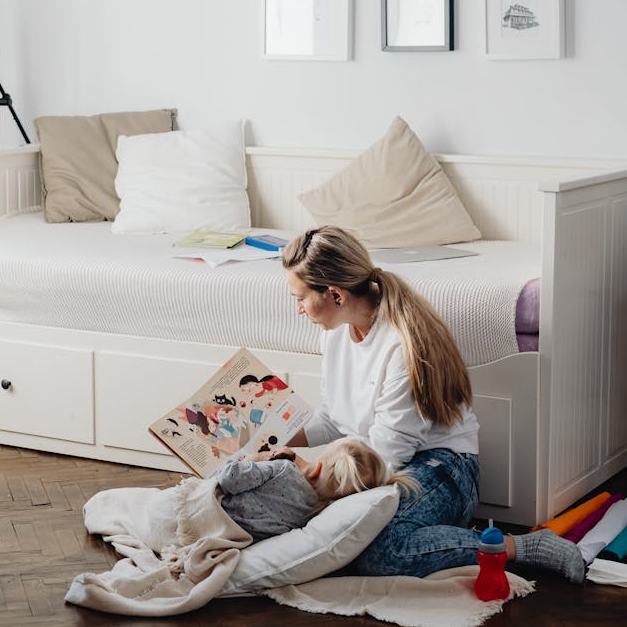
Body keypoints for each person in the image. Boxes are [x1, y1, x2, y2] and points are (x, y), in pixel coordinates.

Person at [280, 226, 586, 584]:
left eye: (300, 297)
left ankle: (521, 547)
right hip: (375, 465)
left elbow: (388, 454)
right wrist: (278, 441)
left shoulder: (400, 343)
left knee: (382, 550)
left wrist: (316, 483)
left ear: (335, 295)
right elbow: (333, 420)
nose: (298, 309)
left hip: (441, 468)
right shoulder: (334, 334)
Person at [213, 436, 417, 542]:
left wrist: (251, 459)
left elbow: (228, 479)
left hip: (216, 514)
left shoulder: (281, 468)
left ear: (317, 467)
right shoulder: (314, 512)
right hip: (238, 535)